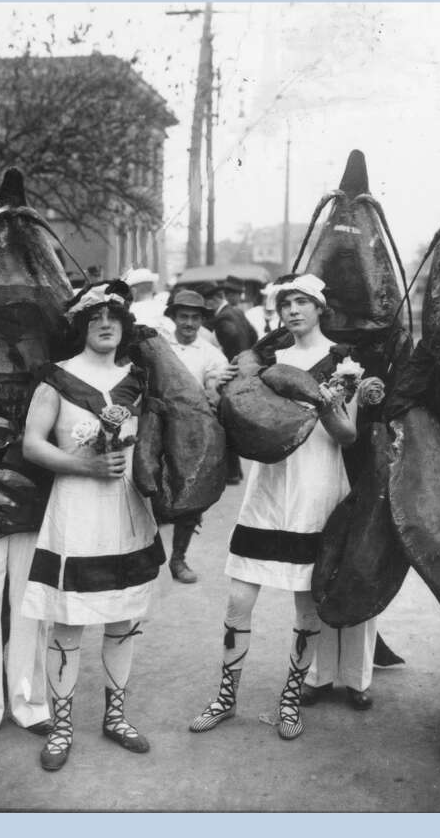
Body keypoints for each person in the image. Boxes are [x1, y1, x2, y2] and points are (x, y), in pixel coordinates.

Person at [190, 273, 369, 742]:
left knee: (305, 604)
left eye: (302, 302)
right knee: (239, 597)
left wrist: (327, 404)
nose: (293, 310)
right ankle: (226, 697)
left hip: (316, 484)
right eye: (286, 302)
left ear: (319, 308)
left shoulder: (345, 361)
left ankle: (290, 701)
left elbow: (348, 434)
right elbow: (237, 409)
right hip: (268, 485)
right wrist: (223, 383)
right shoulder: (265, 357)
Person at [19, 280, 165, 771]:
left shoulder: (138, 378)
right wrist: (85, 466)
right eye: (95, 317)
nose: (105, 324)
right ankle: (61, 727)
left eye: (114, 317)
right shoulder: (56, 378)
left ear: (125, 326)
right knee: (69, 617)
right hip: (76, 509)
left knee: (123, 616)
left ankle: (115, 716)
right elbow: (32, 445)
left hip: (124, 510)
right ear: (81, 325)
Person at [159, 288, 234, 583]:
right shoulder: (160, 345)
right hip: (157, 425)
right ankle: (141, 556)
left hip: (192, 434)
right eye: (183, 316)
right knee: (146, 490)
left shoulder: (212, 354)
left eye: (194, 317)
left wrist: (214, 390)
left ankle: (178, 559)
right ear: (174, 317)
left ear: (202, 320)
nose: (189, 323)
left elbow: (215, 389)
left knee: (191, 494)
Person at [204, 277, 258, 485]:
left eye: (208, 301)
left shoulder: (223, 320)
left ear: (218, 298)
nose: (207, 307)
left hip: (232, 374)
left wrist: (231, 366)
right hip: (246, 369)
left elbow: (233, 346)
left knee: (224, 421)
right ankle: (233, 471)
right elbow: (253, 337)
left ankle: (232, 471)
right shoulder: (237, 312)